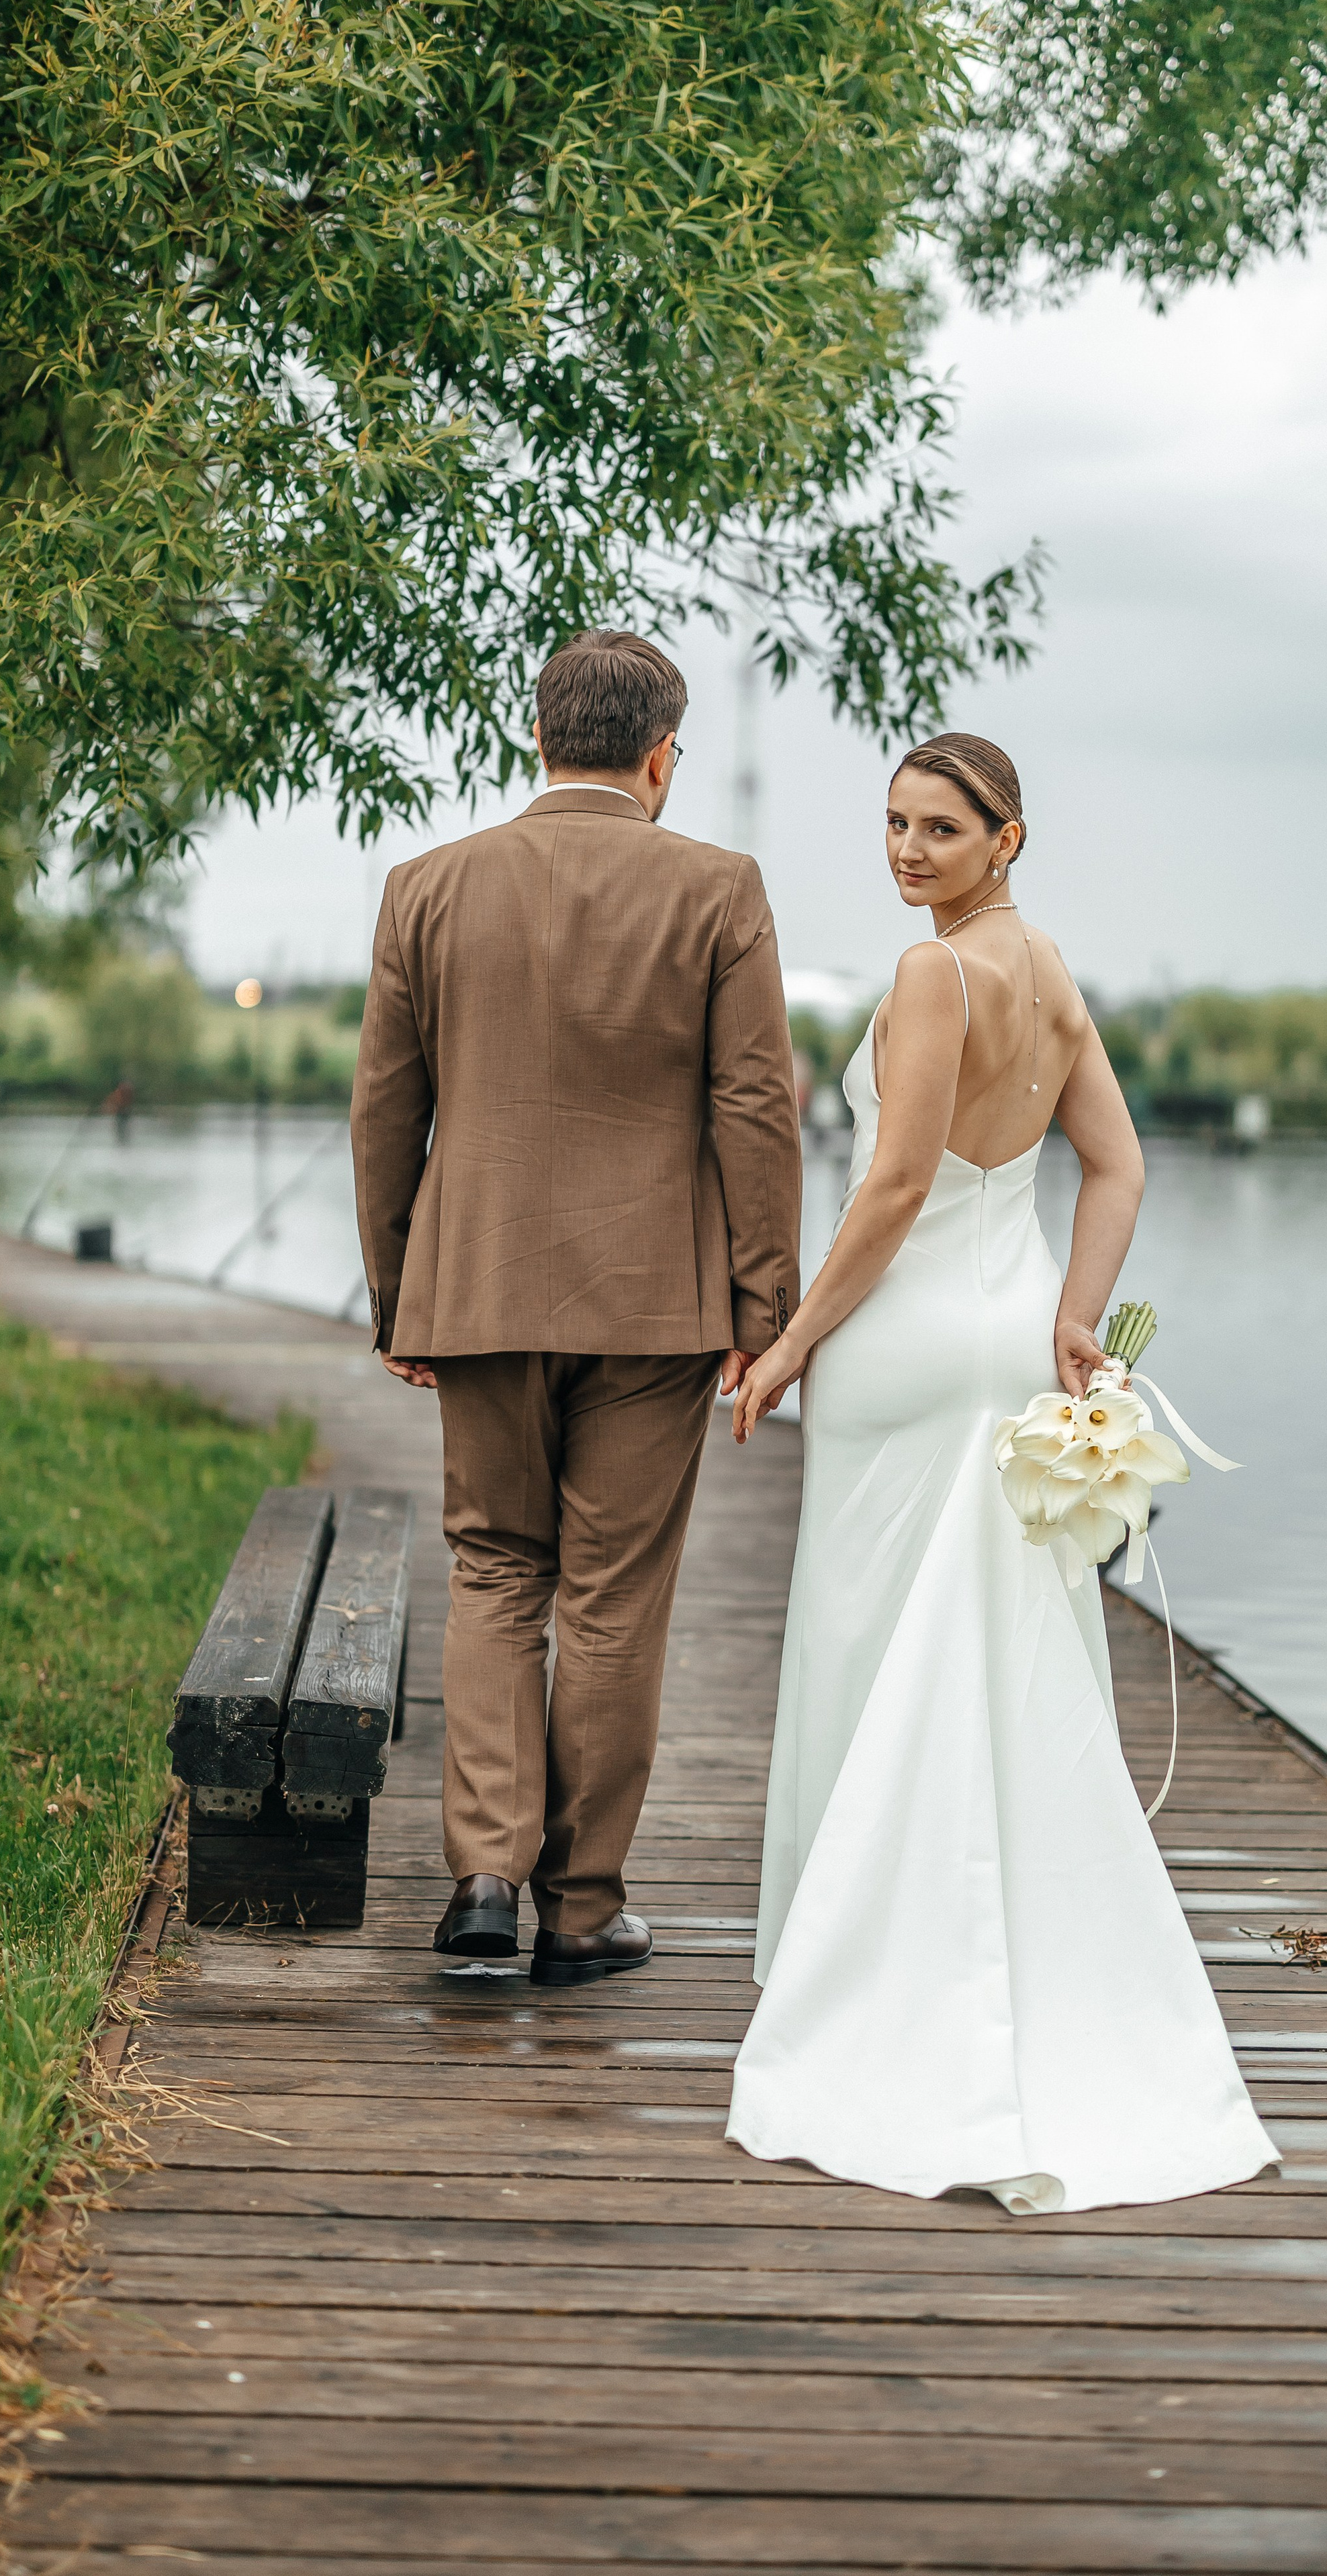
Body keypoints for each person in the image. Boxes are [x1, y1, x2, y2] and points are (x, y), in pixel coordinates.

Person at [725, 735, 1277, 2212]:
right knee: (999, 1649)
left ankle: (850, 1959)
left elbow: (895, 1182)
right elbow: (1118, 1168)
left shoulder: (930, 979)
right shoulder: (1047, 973)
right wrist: (1070, 1321)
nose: (906, 851)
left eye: (939, 830)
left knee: (863, 1639)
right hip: (1010, 1337)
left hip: (905, 1349)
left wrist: (782, 1347)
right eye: (893, 825)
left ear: (1005, 837)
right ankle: (1017, 1951)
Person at [352, 631, 803, 1985]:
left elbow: (387, 1110)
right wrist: (762, 1300)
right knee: (610, 1601)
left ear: (537, 735)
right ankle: (581, 1907)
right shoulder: (720, 890)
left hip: (476, 1288)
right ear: (660, 754)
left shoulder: (424, 889)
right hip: (656, 1306)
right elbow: (755, 1106)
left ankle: (484, 1884)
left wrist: (398, 1300)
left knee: (495, 1572)